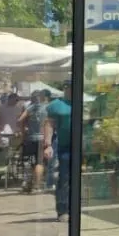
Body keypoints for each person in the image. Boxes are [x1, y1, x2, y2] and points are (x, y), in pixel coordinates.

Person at [43, 85, 75, 221]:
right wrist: (48, 145)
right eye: (68, 87)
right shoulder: (56, 105)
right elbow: (49, 124)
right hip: (64, 146)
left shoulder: (83, 102)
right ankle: (63, 210)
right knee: (64, 178)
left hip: (82, 146)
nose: (71, 90)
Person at [19, 90, 50, 192]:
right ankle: (37, 185)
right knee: (39, 163)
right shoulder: (46, 108)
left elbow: (20, 120)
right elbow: (49, 124)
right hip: (42, 139)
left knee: (30, 162)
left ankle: (29, 182)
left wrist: (23, 131)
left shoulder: (30, 108)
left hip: (30, 138)